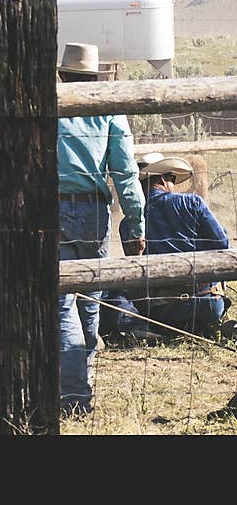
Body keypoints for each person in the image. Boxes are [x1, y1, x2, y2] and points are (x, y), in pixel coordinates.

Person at [56, 42, 146, 418]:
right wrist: (136, 223)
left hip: (53, 208)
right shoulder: (108, 110)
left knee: (61, 305)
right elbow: (125, 172)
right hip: (94, 212)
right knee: (90, 301)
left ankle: (73, 395)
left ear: (62, 75)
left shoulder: (51, 107)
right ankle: (83, 384)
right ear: (96, 76)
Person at [101, 152, 232, 345]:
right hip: (207, 304)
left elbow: (135, 271)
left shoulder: (128, 224)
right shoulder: (192, 203)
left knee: (109, 293)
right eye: (172, 178)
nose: (173, 184)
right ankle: (203, 326)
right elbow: (222, 245)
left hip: (159, 311)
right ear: (163, 179)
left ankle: (140, 328)